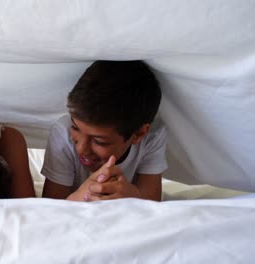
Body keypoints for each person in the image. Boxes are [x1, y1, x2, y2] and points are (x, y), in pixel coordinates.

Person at [41, 60, 167, 202]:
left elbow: (152, 203)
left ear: (138, 134)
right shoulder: (63, 131)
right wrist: (79, 196)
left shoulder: (152, 136)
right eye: (75, 128)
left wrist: (132, 196)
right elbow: (51, 206)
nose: (81, 148)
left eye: (99, 141)